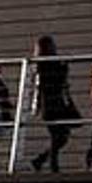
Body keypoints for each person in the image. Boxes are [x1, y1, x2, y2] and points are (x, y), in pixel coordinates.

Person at [30, 35, 77, 173]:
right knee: (59, 136)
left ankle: (41, 160)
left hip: (52, 104)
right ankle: (51, 165)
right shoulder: (45, 65)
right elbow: (56, 81)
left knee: (61, 136)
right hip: (53, 103)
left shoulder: (42, 65)